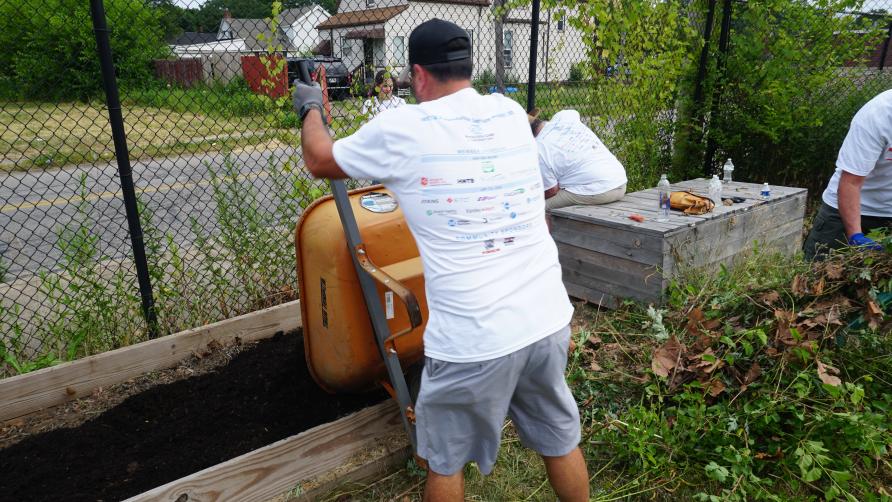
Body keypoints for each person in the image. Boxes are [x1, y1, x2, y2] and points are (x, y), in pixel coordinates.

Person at [293, 18, 589, 502]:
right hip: (547, 319)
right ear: (468, 68)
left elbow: (319, 159)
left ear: (418, 75)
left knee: (444, 461)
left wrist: (310, 108)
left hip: (473, 339)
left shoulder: (403, 128)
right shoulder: (510, 113)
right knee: (560, 440)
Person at [804, 89, 892, 260]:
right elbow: (851, 182)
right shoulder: (878, 115)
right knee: (820, 273)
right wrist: (855, 236)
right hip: (848, 212)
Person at [529, 108, 628, 210]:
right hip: (620, 181)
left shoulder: (539, 149)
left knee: (535, 208)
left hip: (600, 190)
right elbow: (572, 112)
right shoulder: (565, 117)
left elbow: (551, 191)